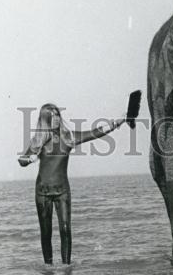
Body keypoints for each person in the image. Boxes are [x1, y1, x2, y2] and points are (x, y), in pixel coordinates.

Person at [19, 104, 126, 265]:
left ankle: (66, 269)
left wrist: (117, 123)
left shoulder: (68, 137)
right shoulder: (37, 141)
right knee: (46, 233)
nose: (56, 118)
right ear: (45, 119)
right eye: (52, 116)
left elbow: (94, 133)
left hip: (62, 191)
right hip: (42, 192)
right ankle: (48, 270)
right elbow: (21, 161)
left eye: (58, 115)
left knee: (65, 230)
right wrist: (29, 158)